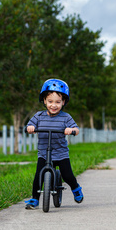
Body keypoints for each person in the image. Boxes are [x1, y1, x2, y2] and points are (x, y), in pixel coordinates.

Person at [24, 78, 84, 209]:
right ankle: (35, 199)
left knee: (68, 176)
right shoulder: (38, 116)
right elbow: (30, 125)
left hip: (61, 153)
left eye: (58, 102)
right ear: (44, 101)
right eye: (50, 101)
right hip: (44, 154)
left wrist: (71, 130)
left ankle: (76, 188)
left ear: (63, 102)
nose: (53, 105)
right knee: (38, 177)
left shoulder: (66, 117)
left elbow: (77, 129)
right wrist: (30, 128)